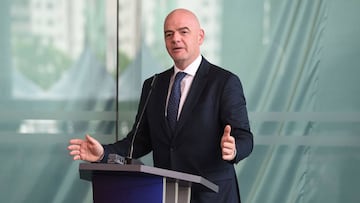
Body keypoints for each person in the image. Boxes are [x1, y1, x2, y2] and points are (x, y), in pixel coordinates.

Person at [68, 8, 253, 203]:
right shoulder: (153, 85)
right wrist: (102, 154)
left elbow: (244, 136)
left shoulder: (224, 82)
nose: (175, 39)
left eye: (184, 32)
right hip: (167, 195)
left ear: (200, 37)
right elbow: (137, 142)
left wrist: (233, 149)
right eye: (169, 34)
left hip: (213, 196)